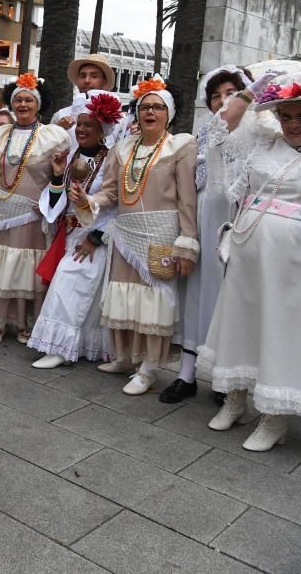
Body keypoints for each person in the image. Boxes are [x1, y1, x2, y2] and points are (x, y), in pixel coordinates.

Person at [72, 77, 198, 396]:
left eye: (158, 107)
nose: (150, 112)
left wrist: (187, 242)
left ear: (168, 113)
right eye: (145, 107)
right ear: (137, 113)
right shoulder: (123, 146)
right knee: (124, 294)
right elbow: (112, 192)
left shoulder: (180, 145)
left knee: (154, 301)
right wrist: (89, 201)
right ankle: (126, 357)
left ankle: (150, 367)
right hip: (126, 234)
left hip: (162, 232)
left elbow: (187, 198)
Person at [196, 74, 301, 451]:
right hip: (246, 249)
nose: (292, 124)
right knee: (238, 321)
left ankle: (274, 417)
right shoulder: (262, 143)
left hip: (290, 262)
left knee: (279, 330)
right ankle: (235, 399)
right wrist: (253, 89)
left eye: (300, 116)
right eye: (286, 116)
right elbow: (220, 126)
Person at [164, 65, 253, 404]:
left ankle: (223, 378)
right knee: (195, 295)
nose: (222, 101)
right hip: (202, 218)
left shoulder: (258, 134)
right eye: (215, 96)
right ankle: (186, 374)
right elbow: (191, 181)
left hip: (237, 224)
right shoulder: (202, 135)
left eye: (230, 93)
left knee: (226, 299)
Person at [0, 74, 70, 345]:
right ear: (11, 105)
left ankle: (25, 323)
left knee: (24, 267)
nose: (23, 104)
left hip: (31, 213)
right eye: (18, 100)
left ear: (38, 105)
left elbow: (59, 178)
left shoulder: (54, 137)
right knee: (1, 266)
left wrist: (58, 180)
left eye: (28, 99)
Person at [29, 91, 122, 369]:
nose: (80, 130)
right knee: (80, 293)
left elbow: (115, 201)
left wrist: (96, 237)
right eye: (79, 125)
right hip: (68, 234)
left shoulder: (111, 161)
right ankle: (77, 346)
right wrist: (58, 175)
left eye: (88, 125)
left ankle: (59, 349)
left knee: (67, 287)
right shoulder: (71, 157)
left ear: (102, 130)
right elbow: (60, 202)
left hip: (93, 236)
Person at [51, 54, 117, 129]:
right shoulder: (60, 116)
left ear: (104, 81)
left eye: (94, 76)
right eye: (83, 76)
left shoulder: (116, 119)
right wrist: (58, 130)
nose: (87, 80)